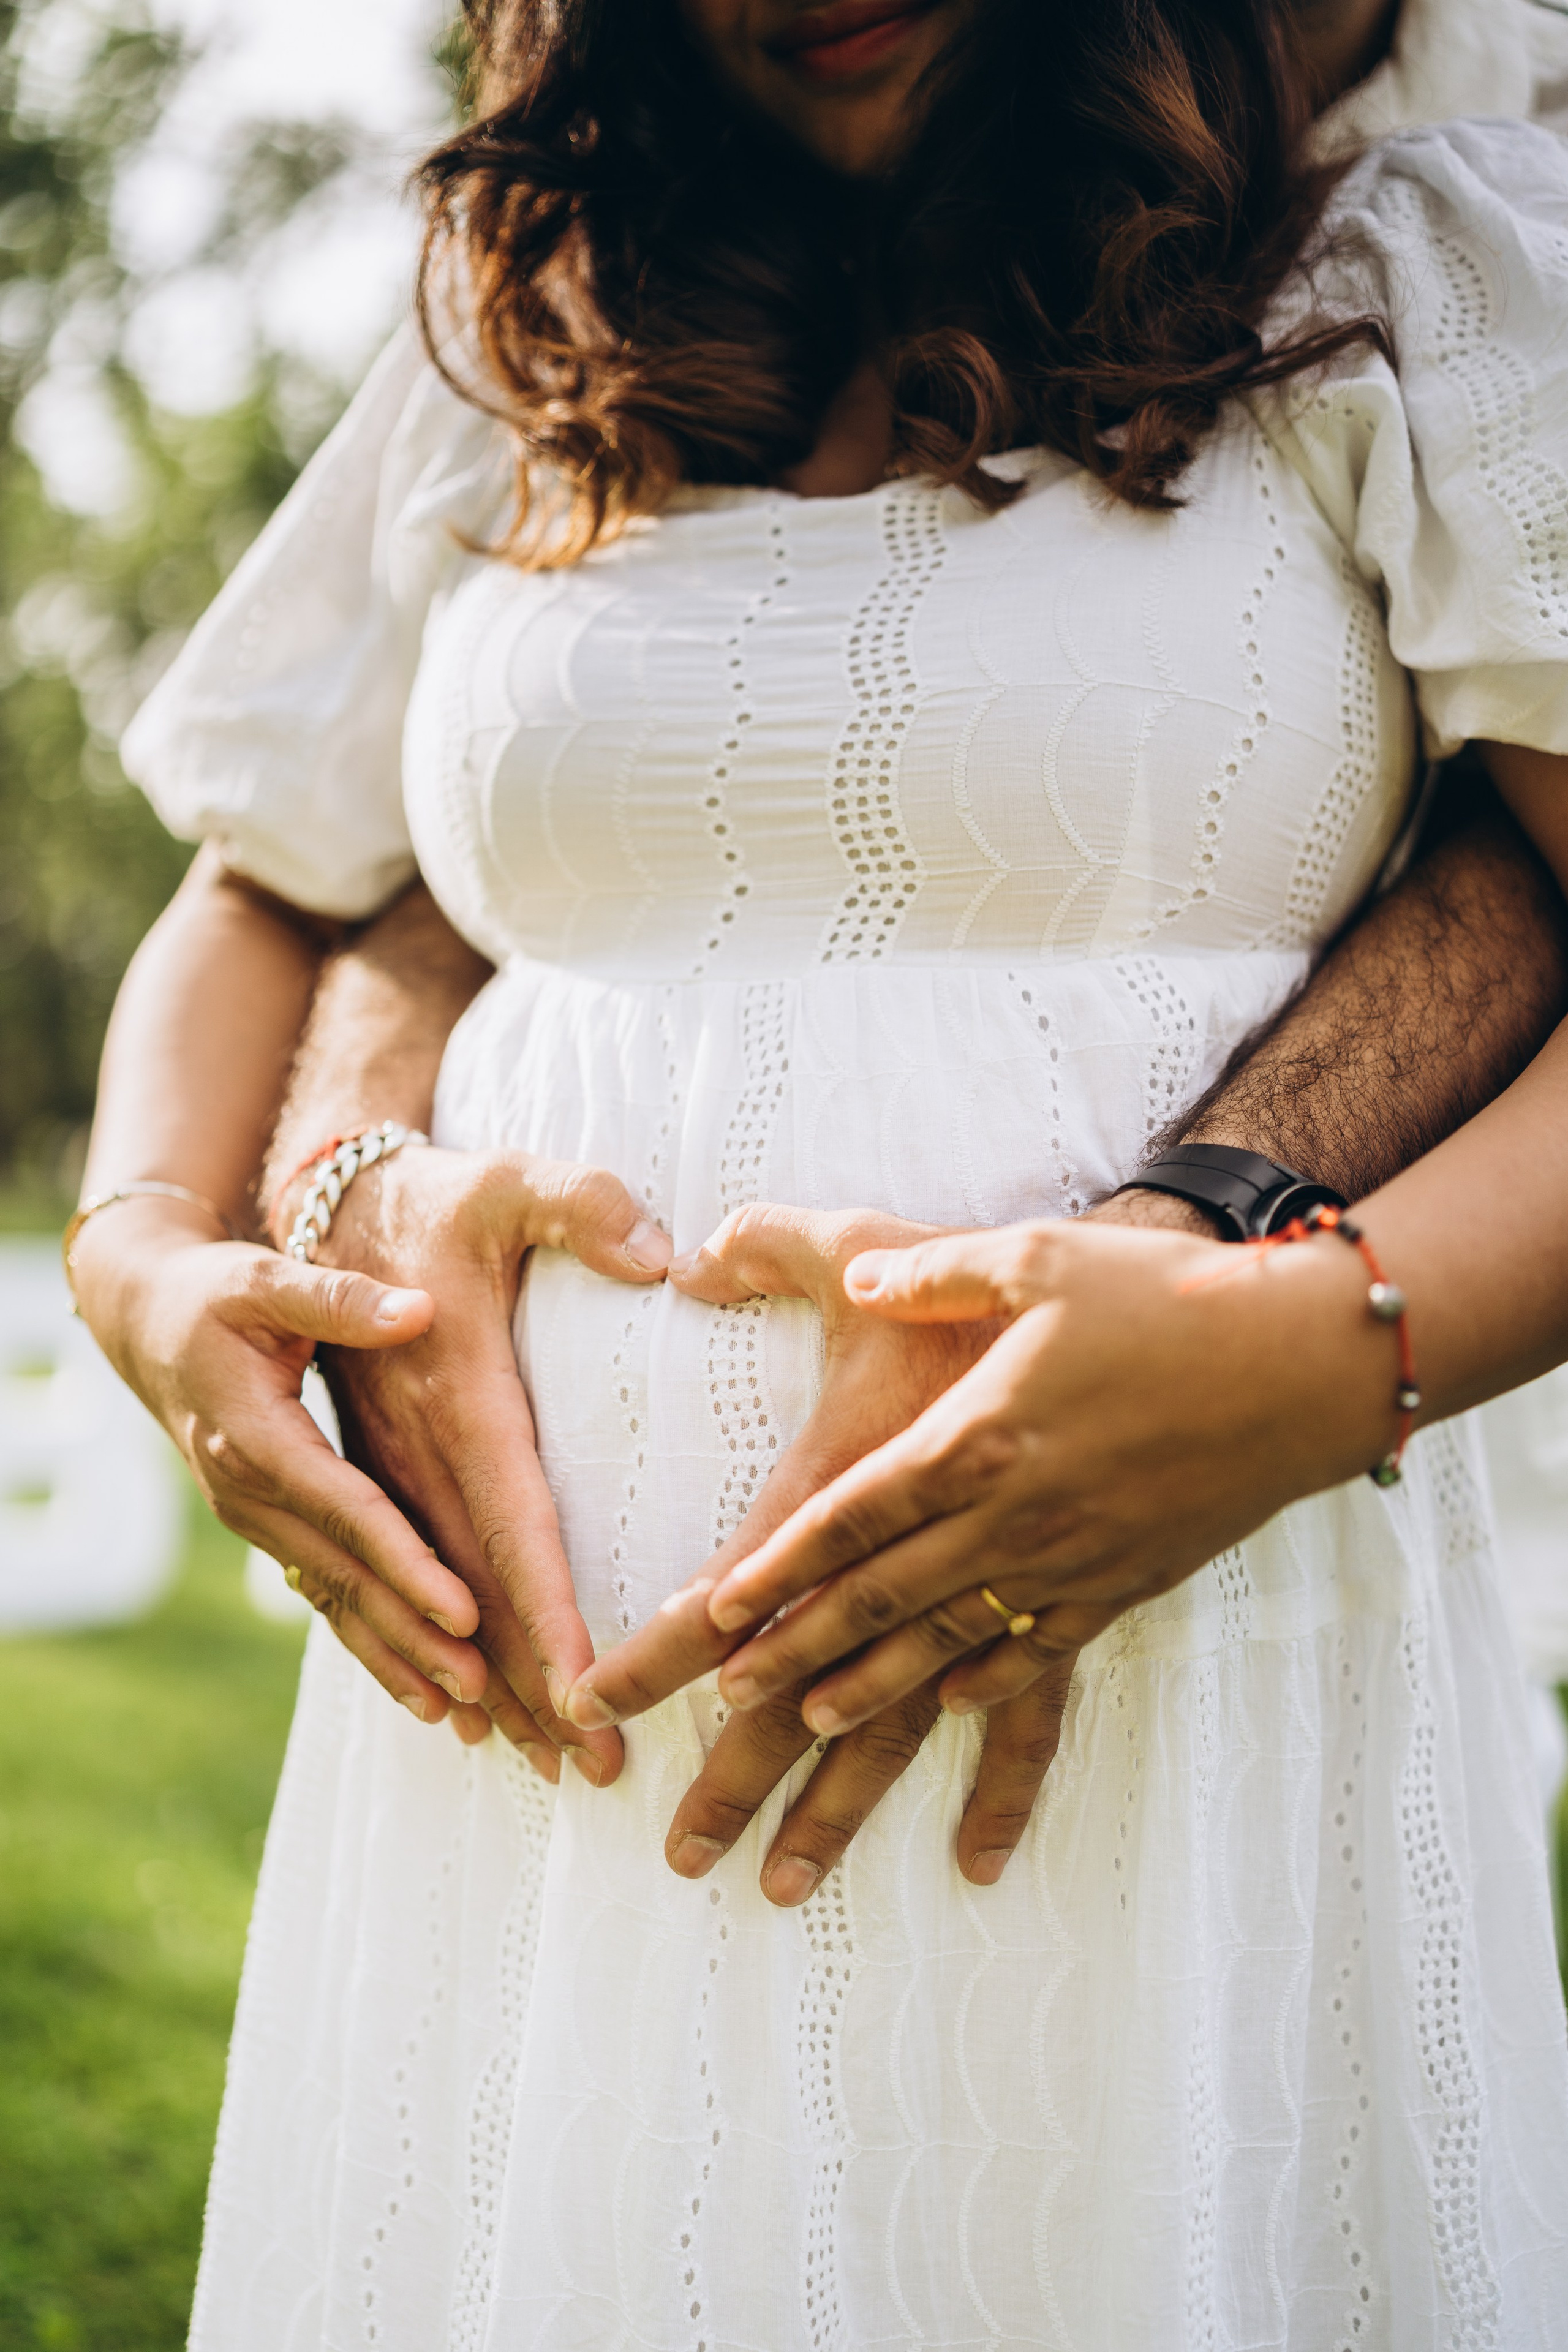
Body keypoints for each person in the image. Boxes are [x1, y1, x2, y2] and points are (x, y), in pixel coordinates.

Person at [69, 0, 1568, 2337]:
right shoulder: (527, 324)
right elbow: (268, 884)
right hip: (521, 1771)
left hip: (1181, 1689)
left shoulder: (1426, 262)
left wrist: (1319, 1350)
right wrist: (155, 1263)